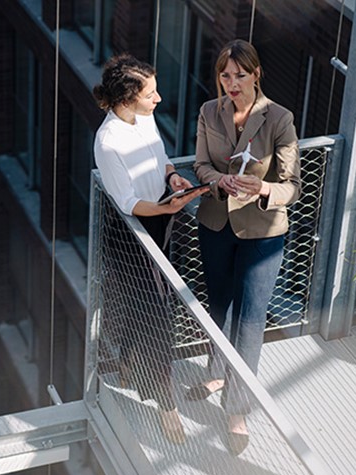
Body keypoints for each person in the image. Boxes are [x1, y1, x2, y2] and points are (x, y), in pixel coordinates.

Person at [190, 40, 301, 454]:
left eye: (240, 75)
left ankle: (236, 408)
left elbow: (293, 187)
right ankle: (217, 371)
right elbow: (200, 165)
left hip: (262, 232)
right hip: (216, 222)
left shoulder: (279, 119)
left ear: (256, 75)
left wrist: (263, 187)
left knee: (251, 319)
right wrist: (218, 180)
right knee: (219, 305)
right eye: (225, 75)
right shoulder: (208, 112)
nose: (231, 83)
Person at [93, 53, 209, 445]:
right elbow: (126, 201)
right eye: (150, 93)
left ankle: (128, 367)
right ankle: (166, 404)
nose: (158, 99)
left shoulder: (143, 118)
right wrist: (163, 207)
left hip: (162, 218)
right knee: (158, 316)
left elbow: (159, 161)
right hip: (134, 234)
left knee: (150, 308)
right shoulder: (108, 142)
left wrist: (174, 178)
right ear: (128, 97)